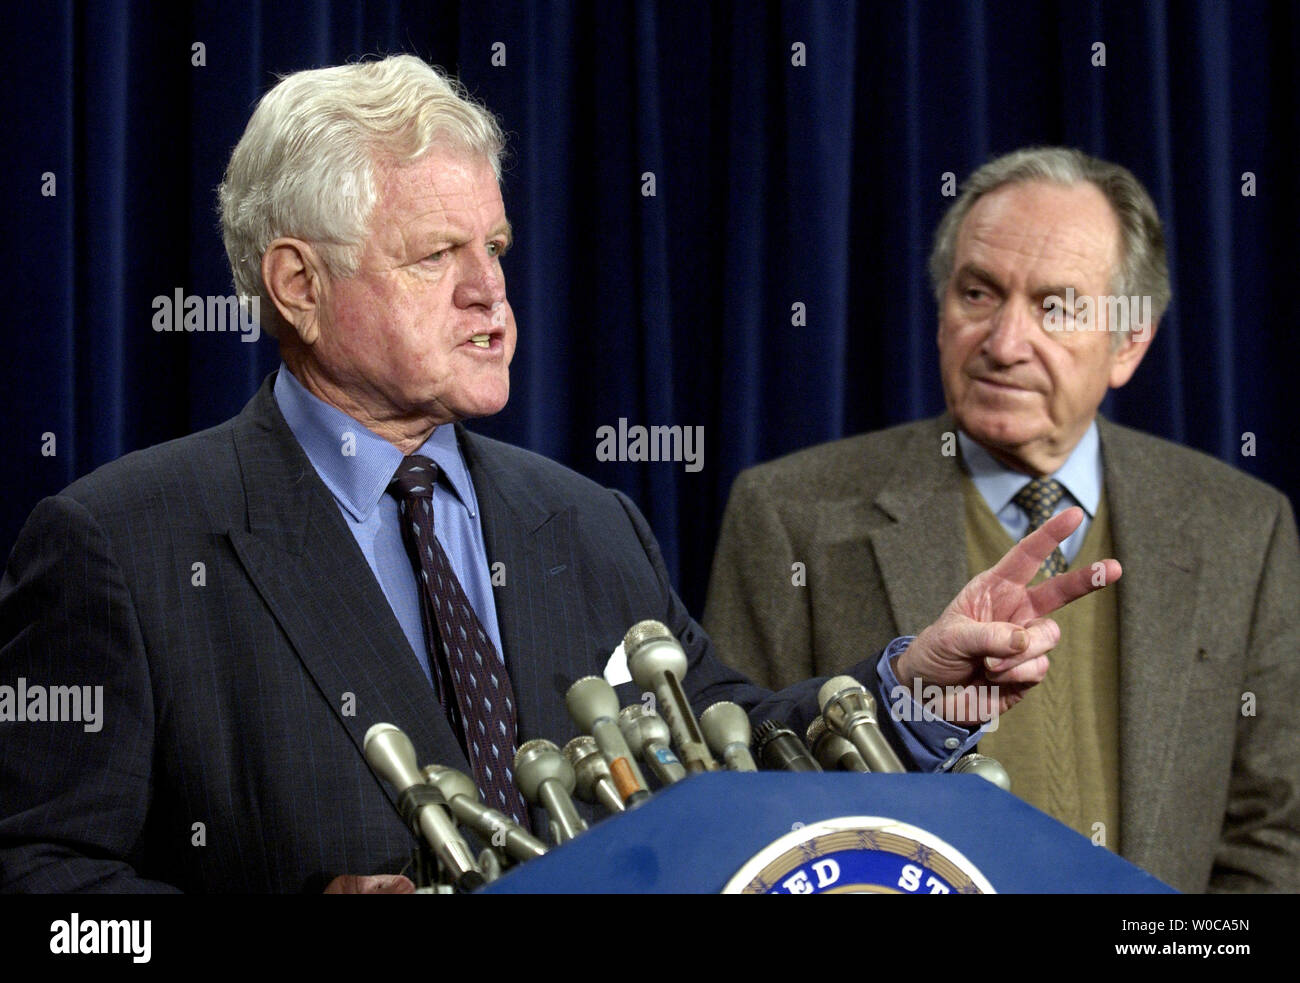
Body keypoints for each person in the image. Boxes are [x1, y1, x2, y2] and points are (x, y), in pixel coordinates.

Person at [0, 63, 1112, 893]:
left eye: (497, 248)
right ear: (297, 281)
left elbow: (731, 763)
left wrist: (920, 688)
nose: (491, 293)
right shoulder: (122, 543)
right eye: (438, 256)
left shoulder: (582, 521)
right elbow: (42, 887)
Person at [703, 147, 1300, 893]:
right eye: (979, 294)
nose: (1005, 343)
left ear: (1130, 341)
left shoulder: (1241, 526)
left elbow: (1270, 834)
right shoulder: (791, 515)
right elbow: (740, 794)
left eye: (1056, 307)